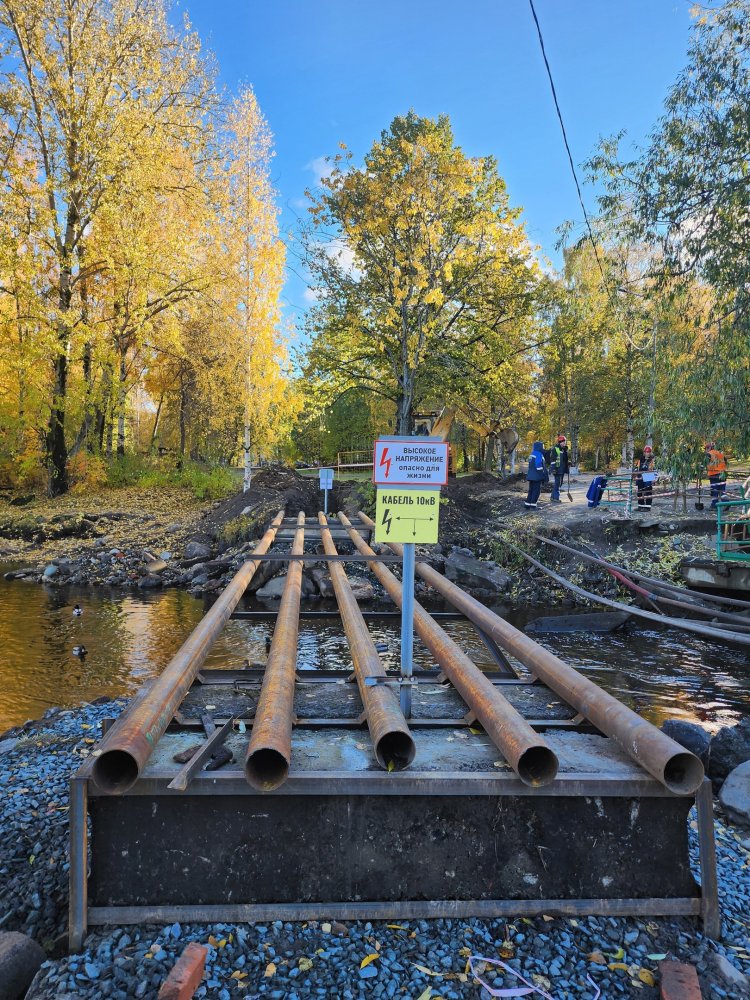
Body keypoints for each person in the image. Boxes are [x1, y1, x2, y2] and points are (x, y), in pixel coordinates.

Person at [525, 441, 547, 509]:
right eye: (543, 447)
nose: (543, 448)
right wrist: (542, 475)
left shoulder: (532, 454)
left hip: (530, 476)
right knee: (536, 491)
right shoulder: (539, 454)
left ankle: (527, 505)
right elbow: (538, 466)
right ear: (540, 447)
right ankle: (533, 506)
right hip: (537, 476)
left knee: (531, 490)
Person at [705, 441, 727, 508]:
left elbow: (705, 463)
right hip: (722, 474)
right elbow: (725, 462)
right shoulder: (720, 453)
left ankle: (714, 505)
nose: (705, 450)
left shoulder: (709, 454)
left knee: (714, 491)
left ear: (709, 448)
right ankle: (726, 503)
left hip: (714, 475)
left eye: (706, 448)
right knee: (722, 491)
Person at [550, 434, 570, 503]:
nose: (564, 443)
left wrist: (568, 463)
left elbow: (564, 460)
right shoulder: (555, 449)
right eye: (563, 442)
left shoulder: (564, 450)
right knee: (557, 483)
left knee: (559, 483)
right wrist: (554, 469)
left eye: (565, 442)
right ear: (560, 442)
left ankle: (552, 497)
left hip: (562, 469)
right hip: (557, 469)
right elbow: (553, 460)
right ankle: (556, 498)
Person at [635, 445, 656, 510]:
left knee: (648, 491)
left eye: (649, 452)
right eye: (646, 452)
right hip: (640, 476)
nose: (647, 453)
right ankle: (640, 506)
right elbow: (637, 468)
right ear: (644, 452)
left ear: (650, 452)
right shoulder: (640, 459)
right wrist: (635, 476)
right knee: (640, 491)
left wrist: (654, 478)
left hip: (648, 476)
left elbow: (655, 470)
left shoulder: (652, 460)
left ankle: (647, 507)